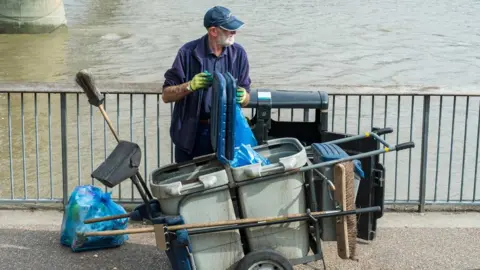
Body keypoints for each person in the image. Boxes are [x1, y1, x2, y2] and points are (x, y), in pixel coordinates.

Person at [162, 6, 252, 163]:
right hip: (192, 135)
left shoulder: (239, 54)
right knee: (189, 184)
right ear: (213, 31)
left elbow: (247, 98)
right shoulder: (187, 53)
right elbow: (166, 95)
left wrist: (244, 96)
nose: (234, 33)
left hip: (225, 134)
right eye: (229, 29)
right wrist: (189, 86)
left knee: (223, 183)